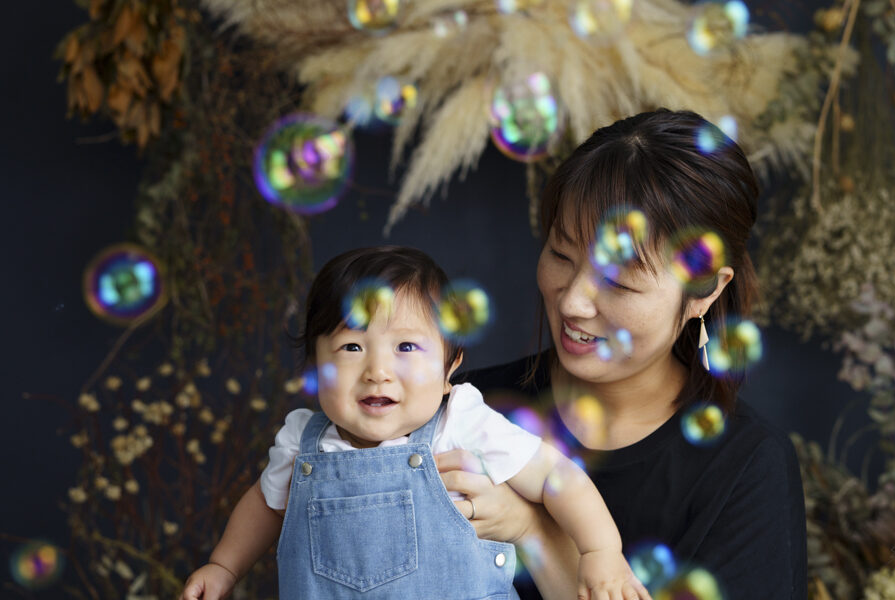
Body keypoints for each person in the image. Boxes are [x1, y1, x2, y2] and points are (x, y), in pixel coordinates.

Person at [438, 109, 807, 599]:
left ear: (704, 293)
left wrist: (532, 531)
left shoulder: (746, 466)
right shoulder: (464, 408)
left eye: (619, 282)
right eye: (561, 255)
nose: (572, 301)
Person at [181, 246, 651, 600]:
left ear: (450, 368)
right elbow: (265, 506)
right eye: (350, 348)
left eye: (406, 347)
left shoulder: (461, 422)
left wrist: (600, 551)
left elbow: (557, 477)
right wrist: (224, 566)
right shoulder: (303, 441)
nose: (377, 370)